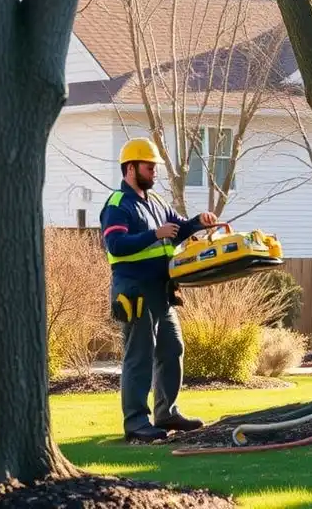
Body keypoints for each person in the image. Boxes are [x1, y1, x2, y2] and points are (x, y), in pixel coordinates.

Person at [100, 137, 218, 441]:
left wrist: (199, 221)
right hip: (134, 291)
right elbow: (115, 244)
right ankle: (136, 423)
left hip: (161, 292)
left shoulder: (157, 203)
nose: (154, 172)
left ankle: (166, 413)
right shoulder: (117, 204)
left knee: (172, 348)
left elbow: (179, 228)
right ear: (130, 168)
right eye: (149, 167)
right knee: (139, 356)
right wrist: (155, 234)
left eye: (154, 167)